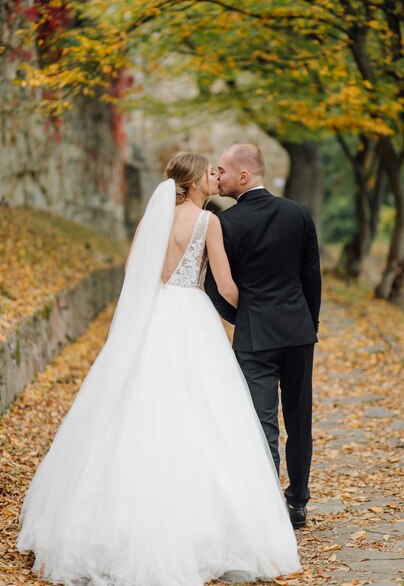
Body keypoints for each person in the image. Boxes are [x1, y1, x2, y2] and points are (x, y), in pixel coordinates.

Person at [17, 152, 301, 586]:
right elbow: (224, 286)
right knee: (201, 412)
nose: (215, 177)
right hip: (191, 317)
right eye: (210, 172)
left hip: (154, 316)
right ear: (194, 183)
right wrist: (258, 312)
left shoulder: (151, 221)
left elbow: (135, 270)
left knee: (136, 407)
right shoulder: (209, 223)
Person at [205, 144, 321, 529]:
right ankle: (298, 503)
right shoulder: (298, 213)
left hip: (255, 336)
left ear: (243, 175)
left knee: (261, 422)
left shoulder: (227, 224)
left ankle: (269, 506)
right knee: (299, 419)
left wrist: (243, 318)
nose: (216, 176)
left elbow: (215, 288)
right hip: (297, 332)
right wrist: (310, 324)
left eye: (221, 170)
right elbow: (311, 278)